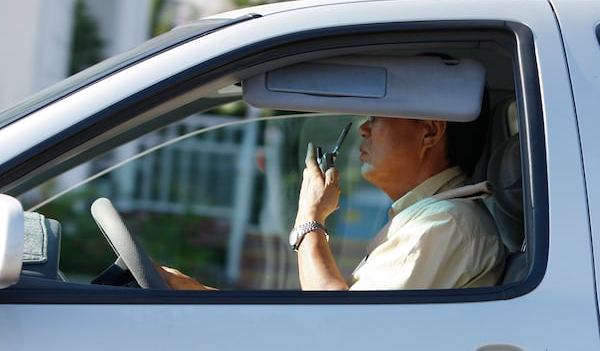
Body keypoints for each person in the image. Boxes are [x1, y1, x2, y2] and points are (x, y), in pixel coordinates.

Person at [159, 110, 506, 291]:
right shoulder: (429, 219)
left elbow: (337, 326)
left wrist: (310, 215)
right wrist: (198, 291)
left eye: (377, 116)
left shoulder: (444, 224)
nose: (364, 130)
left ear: (429, 131)